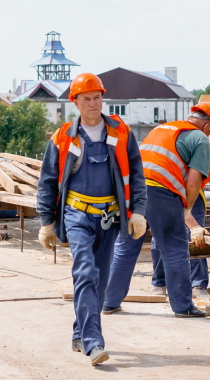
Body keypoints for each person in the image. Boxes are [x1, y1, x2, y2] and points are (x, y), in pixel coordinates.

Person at [36, 73, 147, 367]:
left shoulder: (121, 132)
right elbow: (47, 181)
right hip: (76, 214)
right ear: (75, 102)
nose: (93, 103)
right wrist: (47, 223)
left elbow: (136, 174)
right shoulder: (63, 137)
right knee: (85, 272)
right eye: (86, 98)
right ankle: (94, 343)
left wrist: (138, 211)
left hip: (109, 217)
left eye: (97, 97)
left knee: (100, 278)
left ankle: (80, 332)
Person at [103, 102, 210, 319]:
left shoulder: (162, 128)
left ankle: (109, 302)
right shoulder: (200, 139)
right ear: (207, 128)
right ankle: (183, 306)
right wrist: (186, 209)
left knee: (126, 246)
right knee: (174, 248)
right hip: (161, 192)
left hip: (131, 191)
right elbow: (194, 183)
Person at [150, 130, 210, 300]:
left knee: (199, 237)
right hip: (167, 188)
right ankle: (160, 282)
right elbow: (177, 199)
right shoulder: (184, 160)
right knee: (162, 232)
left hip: (195, 189)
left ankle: (198, 284)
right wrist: (193, 225)